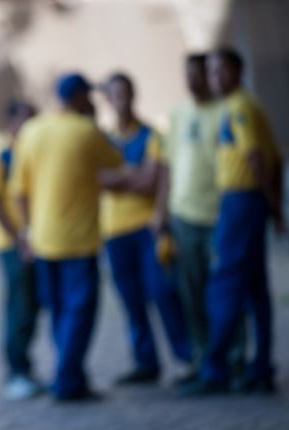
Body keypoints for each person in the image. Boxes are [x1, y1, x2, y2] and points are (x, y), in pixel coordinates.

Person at [11, 73, 123, 401]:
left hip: (43, 240)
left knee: (60, 311)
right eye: (89, 97)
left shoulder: (31, 131)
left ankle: (70, 373)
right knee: (81, 311)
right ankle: (68, 379)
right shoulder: (87, 131)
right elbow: (117, 164)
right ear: (79, 98)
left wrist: (27, 232)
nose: (92, 103)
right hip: (79, 241)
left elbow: (20, 191)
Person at [182, 47, 285, 395]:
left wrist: (273, 205)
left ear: (238, 70)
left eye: (220, 70)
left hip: (241, 201)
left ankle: (214, 369)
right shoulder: (248, 105)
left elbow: (256, 157)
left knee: (223, 284)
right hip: (248, 202)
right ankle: (262, 367)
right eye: (211, 71)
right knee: (256, 288)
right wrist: (275, 207)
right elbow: (277, 158)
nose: (215, 78)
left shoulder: (240, 106)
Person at [98, 72, 193, 385]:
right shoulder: (103, 141)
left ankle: (185, 358)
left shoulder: (152, 135)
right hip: (114, 230)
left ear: (133, 95)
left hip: (146, 227)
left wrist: (121, 178)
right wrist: (132, 175)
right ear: (108, 100)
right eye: (114, 94)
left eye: (125, 93)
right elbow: (97, 179)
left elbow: (152, 180)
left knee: (162, 291)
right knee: (130, 298)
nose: (120, 100)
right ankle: (145, 362)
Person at [165, 54, 247, 382]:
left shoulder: (227, 112)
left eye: (198, 75)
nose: (192, 81)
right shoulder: (178, 114)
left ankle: (235, 357)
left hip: (218, 216)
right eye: (187, 75)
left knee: (225, 291)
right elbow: (169, 165)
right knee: (191, 293)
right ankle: (202, 359)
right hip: (184, 217)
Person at [0, 99, 42, 401]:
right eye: (26, 121)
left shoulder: (31, 151)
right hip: (13, 244)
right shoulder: (0, 152)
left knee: (30, 306)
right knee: (19, 307)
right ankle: (16, 373)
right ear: (11, 123)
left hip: (34, 240)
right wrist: (19, 239)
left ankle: (26, 369)